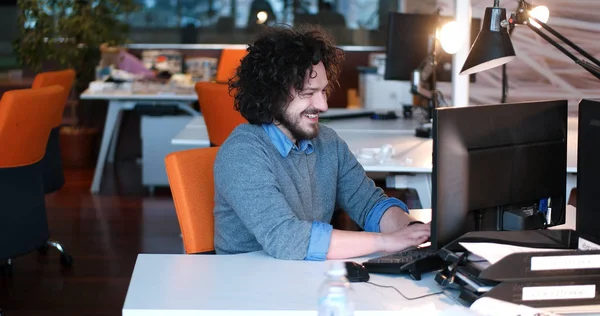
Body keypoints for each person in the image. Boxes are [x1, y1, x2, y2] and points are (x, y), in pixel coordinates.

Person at [213, 25, 430, 260]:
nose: (324, 105)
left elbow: (369, 204)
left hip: (305, 277)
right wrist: (387, 241)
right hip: (246, 284)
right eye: (308, 93)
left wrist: (410, 231)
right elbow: (287, 239)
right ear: (271, 95)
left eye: (323, 91)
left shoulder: (327, 142)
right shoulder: (242, 154)